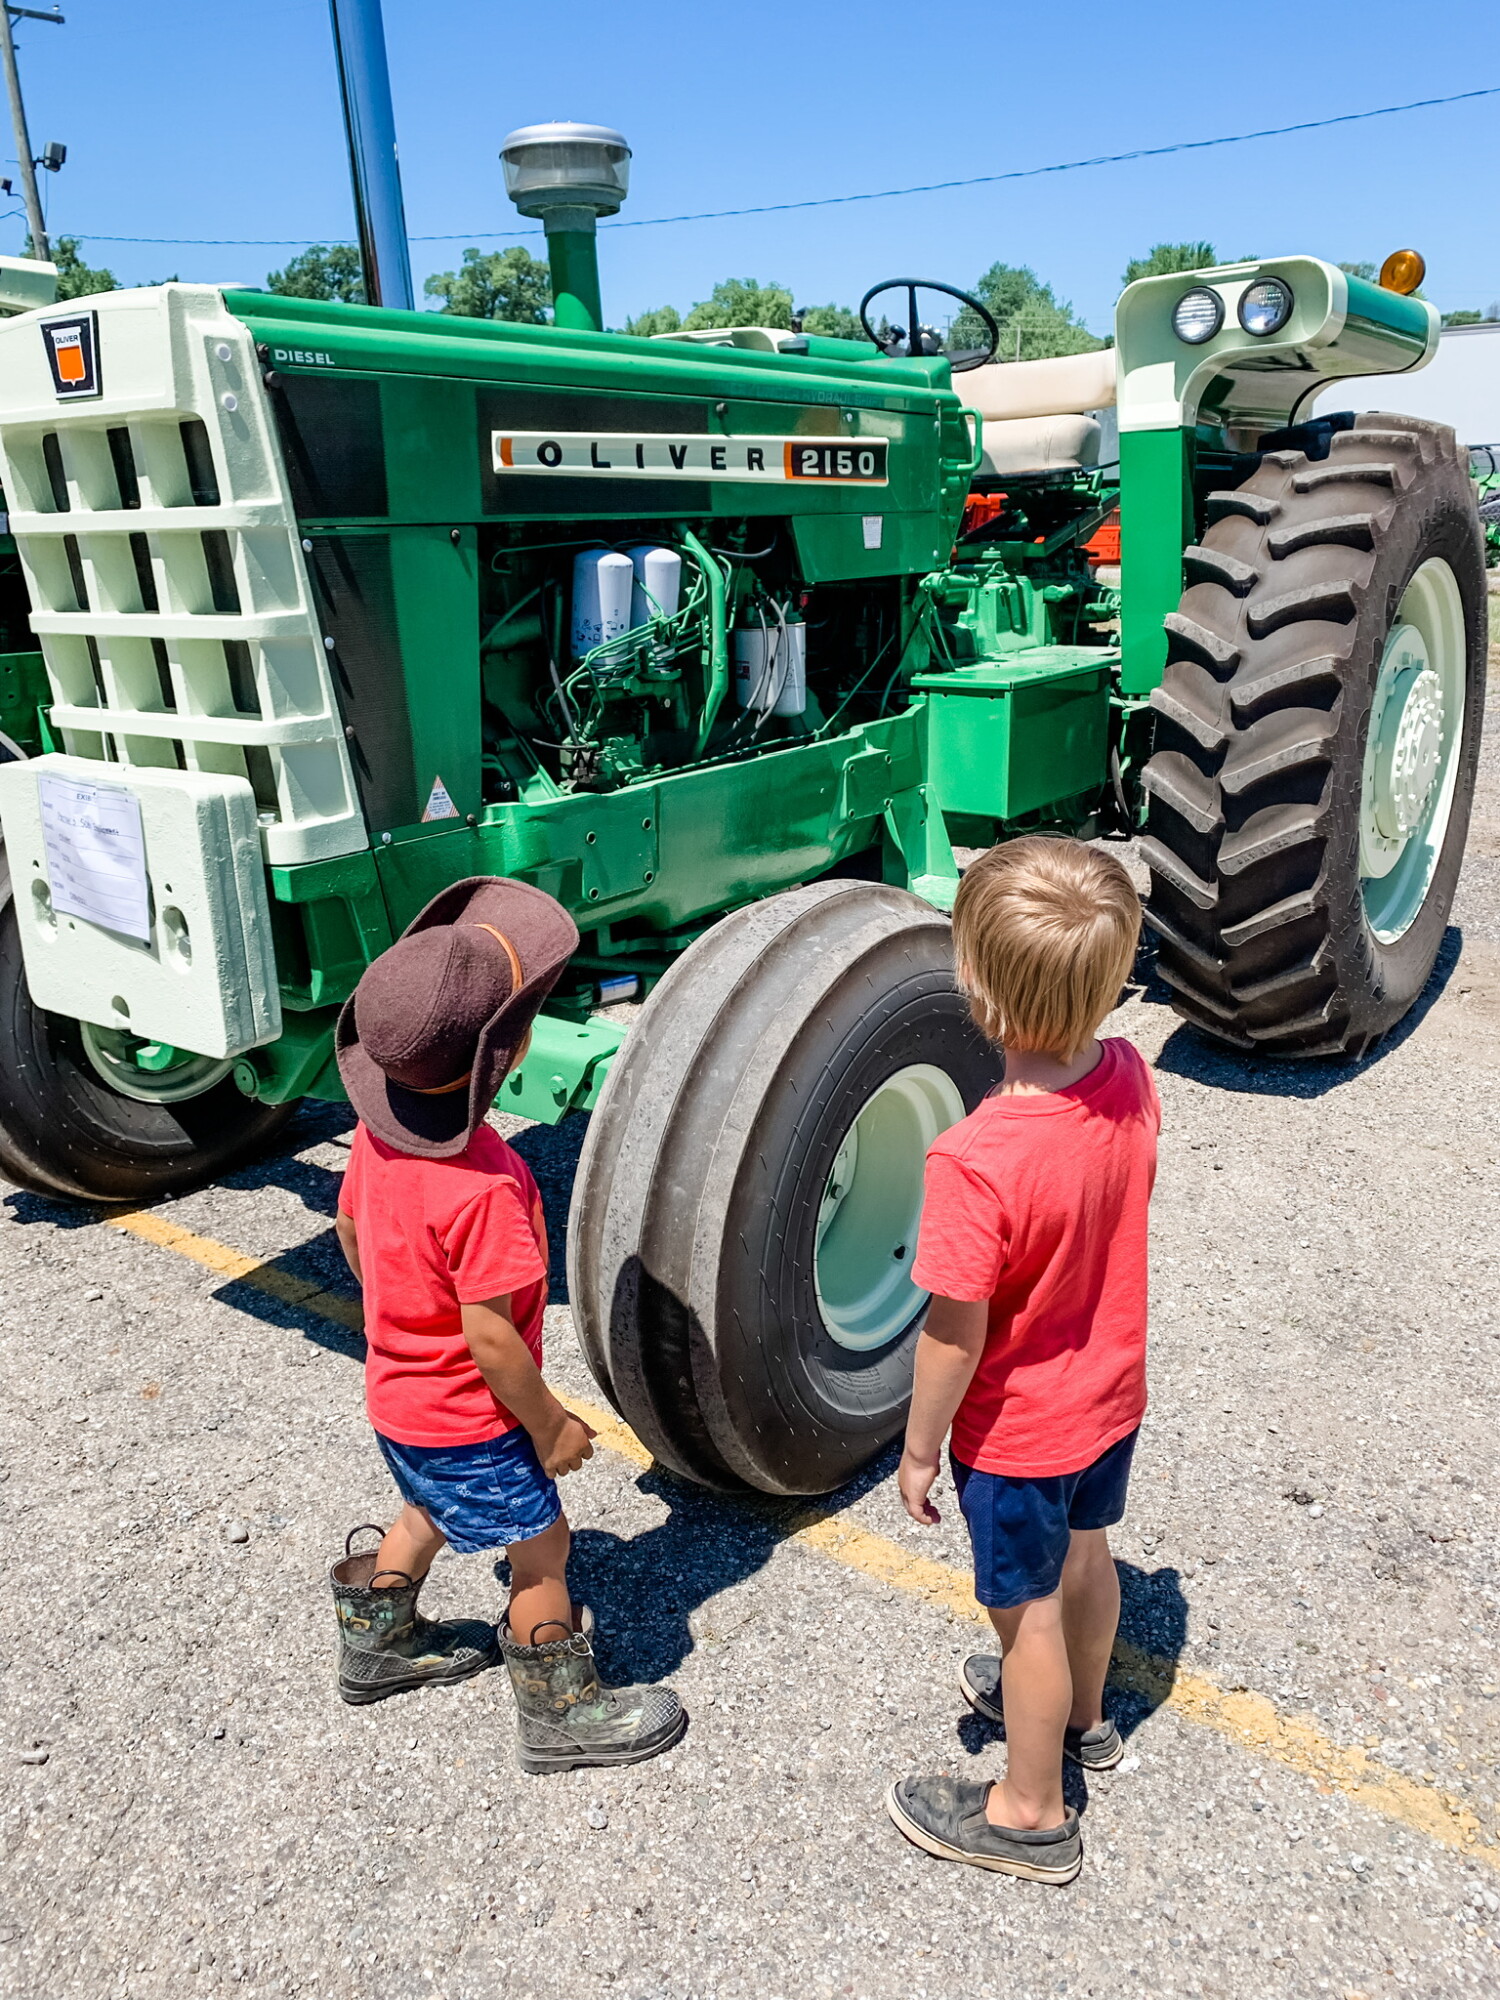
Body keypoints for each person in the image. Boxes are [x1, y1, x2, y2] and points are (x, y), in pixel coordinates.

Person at [327, 874, 686, 1773]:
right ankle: (560, 1713)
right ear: (512, 1052)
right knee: (542, 1551)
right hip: (472, 1422)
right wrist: (551, 1424)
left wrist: (401, 1311)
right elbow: (491, 1341)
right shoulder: (487, 1187)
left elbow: (350, 1227)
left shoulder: (377, 1136)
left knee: (425, 1507)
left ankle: (376, 1643)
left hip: (397, 1401)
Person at [885, 836, 1156, 1883]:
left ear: (978, 987)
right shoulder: (1128, 1076)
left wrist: (918, 1448)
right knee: (1088, 1557)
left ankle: (1030, 1808)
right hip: (1110, 1397)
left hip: (1022, 1433)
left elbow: (955, 1329)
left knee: (1024, 1613)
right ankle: (1085, 1719)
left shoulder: (976, 1159)